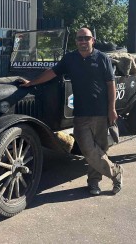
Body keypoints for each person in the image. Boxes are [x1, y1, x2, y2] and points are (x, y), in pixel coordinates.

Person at [20, 27, 123, 195]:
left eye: (86, 38)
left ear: (93, 40)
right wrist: (32, 83)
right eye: (80, 38)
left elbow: (111, 85)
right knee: (88, 150)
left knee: (99, 150)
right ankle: (116, 172)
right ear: (76, 41)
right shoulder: (70, 59)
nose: (83, 41)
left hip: (101, 113)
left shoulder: (103, 58)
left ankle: (94, 182)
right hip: (81, 113)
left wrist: (111, 108)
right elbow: (52, 72)